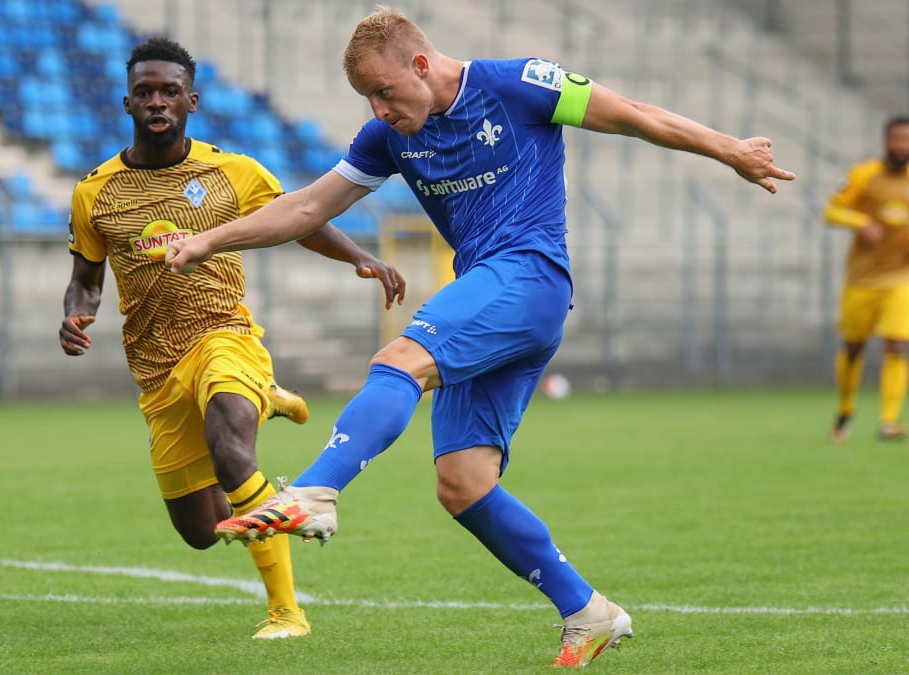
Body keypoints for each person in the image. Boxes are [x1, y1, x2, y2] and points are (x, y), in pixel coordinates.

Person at [166, 6, 795, 667]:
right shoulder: (387, 137)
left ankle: (316, 492)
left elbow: (634, 114)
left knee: (399, 359)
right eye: (367, 98)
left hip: (530, 274)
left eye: (384, 91)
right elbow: (304, 207)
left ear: (420, 64)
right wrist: (208, 241)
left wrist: (730, 149)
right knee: (463, 484)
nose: (379, 109)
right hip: (489, 294)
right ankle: (588, 611)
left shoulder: (520, 83)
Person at [58, 37, 406, 640]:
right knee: (201, 531)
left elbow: (300, 218)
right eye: (145, 92)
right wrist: (75, 315)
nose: (158, 101)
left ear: (191, 101)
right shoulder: (95, 192)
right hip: (156, 368)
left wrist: (359, 257)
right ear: (127, 102)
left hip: (224, 337)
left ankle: (287, 613)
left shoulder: (231, 172)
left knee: (232, 450)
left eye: (170, 91)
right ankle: (266, 398)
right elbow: (85, 280)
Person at [824, 116, 909, 443]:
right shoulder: (863, 175)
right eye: (897, 138)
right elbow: (831, 212)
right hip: (862, 279)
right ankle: (845, 409)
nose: (902, 145)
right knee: (853, 347)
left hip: (900, 278)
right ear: (886, 141)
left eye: (907, 140)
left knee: (898, 344)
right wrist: (860, 222)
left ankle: (889, 421)